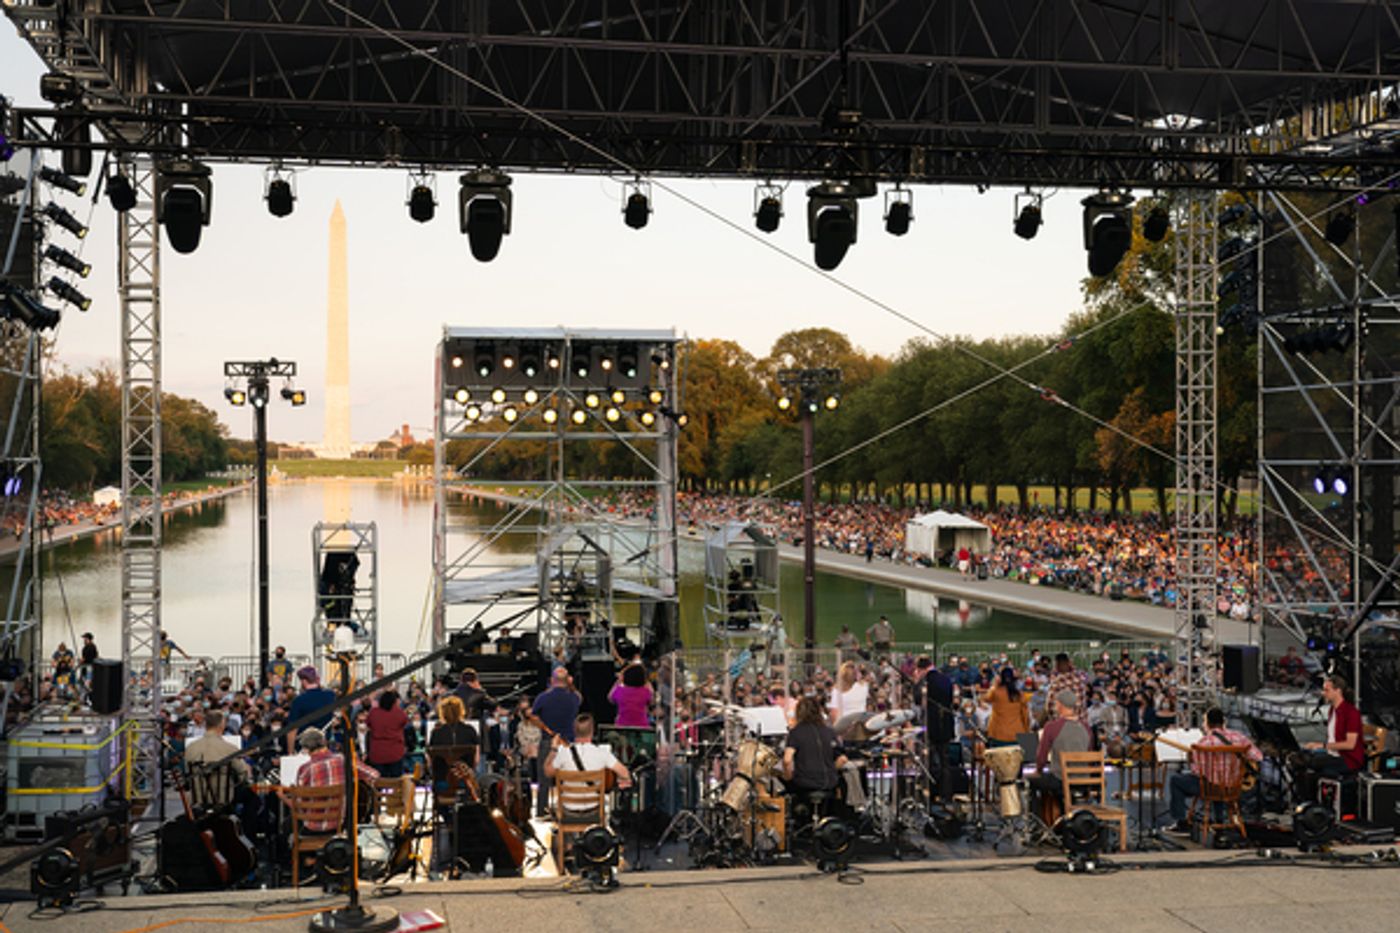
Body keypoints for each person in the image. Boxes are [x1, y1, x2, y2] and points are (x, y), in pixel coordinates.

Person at [1165, 707, 1262, 836]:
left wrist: (1191, 759)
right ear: (1224, 722)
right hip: (1232, 787)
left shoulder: (1204, 742)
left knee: (1176, 780)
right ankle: (1219, 821)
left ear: (1208, 724)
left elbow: (1198, 772)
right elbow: (1258, 756)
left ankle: (1181, 824)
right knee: (1218, 781)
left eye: (1204, 722)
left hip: (1211, 788)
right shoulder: (1239, 737)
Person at [543, 713, 631, 823]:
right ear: (592, 731)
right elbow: (625, 773)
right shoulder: (602, 753)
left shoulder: (564, 753)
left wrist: (553, 749)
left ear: (574, 731)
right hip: (594, 811)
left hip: (569, 812)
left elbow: (547, 772)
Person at [292, 727, 381, 833]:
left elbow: (299, 805)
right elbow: (374, 775)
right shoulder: (344, 760)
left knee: (287, 825)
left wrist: (282, 796)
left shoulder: (305, 769)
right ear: (324, 742)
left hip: (313, 827)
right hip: (340, 825)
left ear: (306, 749)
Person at [1292, 674, 1365, 801]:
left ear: (1338, 691)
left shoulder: (1351, 713)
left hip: (1348, 759)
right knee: (1299, 758)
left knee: (1311, 763)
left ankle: (1312, 800)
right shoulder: (1332, 711)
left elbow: (1350, 744)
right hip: (1333, 754)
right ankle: (1304, 800)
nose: (1323, 693)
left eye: (1327, 690)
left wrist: (1323, 746)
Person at [531, 668, 581, 816]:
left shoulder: (542, 698)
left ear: (552, 680)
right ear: (568, 680)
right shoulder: (574, 697)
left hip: (549, 740)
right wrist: (571, 685)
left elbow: (533, 717)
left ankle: (541, 812)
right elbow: (579, 699)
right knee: (567, 780)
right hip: (568, 743)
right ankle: (568, 812)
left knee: (544, 782)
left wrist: (545, 728)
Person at [1030, 689, 1093, 803]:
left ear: (1060, 705)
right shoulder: (1086, 727)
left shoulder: (1052, 727)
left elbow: (1042, 757)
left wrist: (1038, 770)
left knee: (1033, 781)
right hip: (1083, 779)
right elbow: (1089, 752)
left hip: (1061, 779)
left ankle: (1039, 814)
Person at [783, 696, 849, 797]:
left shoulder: (795, 732)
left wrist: (788, 777)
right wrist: (831, 769)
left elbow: (787, 760)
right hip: (830, 783)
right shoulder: (829, 732)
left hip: (804, 784)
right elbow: (843, 759)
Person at [184, 709, 250, 809]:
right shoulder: (229, 748)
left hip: (198, 799)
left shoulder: (190, 748)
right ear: (222, 725)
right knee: (252, 798)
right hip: (224, 799)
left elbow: (187, 773)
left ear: (205, 725)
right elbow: (243, 776)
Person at [923, 657, 956, 800]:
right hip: (946, 724)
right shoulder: (946, 679)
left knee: (931, 761)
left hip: (932, 725)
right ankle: (946, 793)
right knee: (945, 762)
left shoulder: (926, 682)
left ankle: (932, 792)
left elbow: (920, 701)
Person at [287, 666, 337, 753]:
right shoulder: (330, 695)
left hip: (305, 748)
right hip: (324, 744)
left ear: (304, 681)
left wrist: (290, 752)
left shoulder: (299, 701)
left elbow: (292, 730)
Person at [983, 666, 1030, 747]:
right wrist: (1026, 731)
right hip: (1017, 733)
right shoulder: (1020, 694)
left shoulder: (995, 691)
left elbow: (985, 698)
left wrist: (995, 684)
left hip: (998, 734)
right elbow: (1025, 715)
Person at [366, 690, 409, 778]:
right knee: (396, 781)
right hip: (395, 753)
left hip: (377, 753)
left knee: (379, 781)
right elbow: (404, 723)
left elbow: (368, 724)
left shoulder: (373, 713)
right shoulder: (399, 713)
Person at [1045, 653, 1087, 724]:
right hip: (1081, 723)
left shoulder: (1057, 682)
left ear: (1057, 665)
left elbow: (1050, 707)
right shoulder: (1080, 679)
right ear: (1069, 663)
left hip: (1062, 724)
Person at [608, 662, 653, 728]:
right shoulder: (646, 692)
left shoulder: (619, 691)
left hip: (622, 726)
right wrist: (647, 682)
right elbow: (652, 701)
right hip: (642, 726)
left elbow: (610, 698)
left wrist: (618, 681)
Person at [827, 661, 869, 727]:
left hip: (844, 725)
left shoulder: (837, 690)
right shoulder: (864, 686)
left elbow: (834, 713)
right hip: (860, 723)